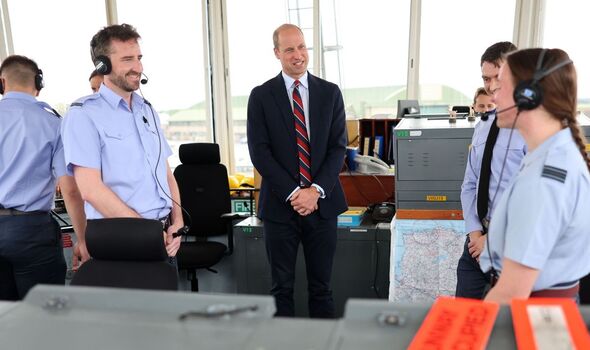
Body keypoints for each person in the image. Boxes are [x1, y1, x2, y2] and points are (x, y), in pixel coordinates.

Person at [247, 23, 347, 318]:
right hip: (280, 207)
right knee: (281, 288)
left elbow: (337, 148)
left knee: (322, 288)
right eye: (289, 48)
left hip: (322, 206)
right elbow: (259, 152)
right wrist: (294, 193)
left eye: (302, 47)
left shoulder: (329, 93)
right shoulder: (261, 96)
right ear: (277, 53)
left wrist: (314, 191)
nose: (298, 55)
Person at [61, 24, 183, 263]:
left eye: (139, 58)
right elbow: (90, 190)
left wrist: (178, 221)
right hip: (121, 238)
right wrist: (146, 232)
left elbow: (166, 173)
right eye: (127, 59)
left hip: (164, 237)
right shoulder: (83, 115)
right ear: (102, 65)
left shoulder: (147, 110)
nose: (138, 67)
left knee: (166, 299)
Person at [480, 48, 590, 303]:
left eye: (502, 85)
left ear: (527, 95)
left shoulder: (544, 179)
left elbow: (511, 293)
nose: (494, 96)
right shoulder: (550, 155)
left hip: (532, 310)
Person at [0, 55, 88, 300]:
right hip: (31, 231)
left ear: (2, 82)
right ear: (38, 83)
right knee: (45, 315)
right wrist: (83, 239)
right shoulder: (51, 122)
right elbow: (69, 190)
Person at [455, 42, 527, 299]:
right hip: (475, 248)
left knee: (508, 331)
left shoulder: (532, 127)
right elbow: (470, 184)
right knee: (465, 325)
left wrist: (492, 240)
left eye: (499, 77)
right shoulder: (483, 126)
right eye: (487, 78)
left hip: (512, 247)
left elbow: (530, 198)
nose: (492, 85)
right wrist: (475, 235)